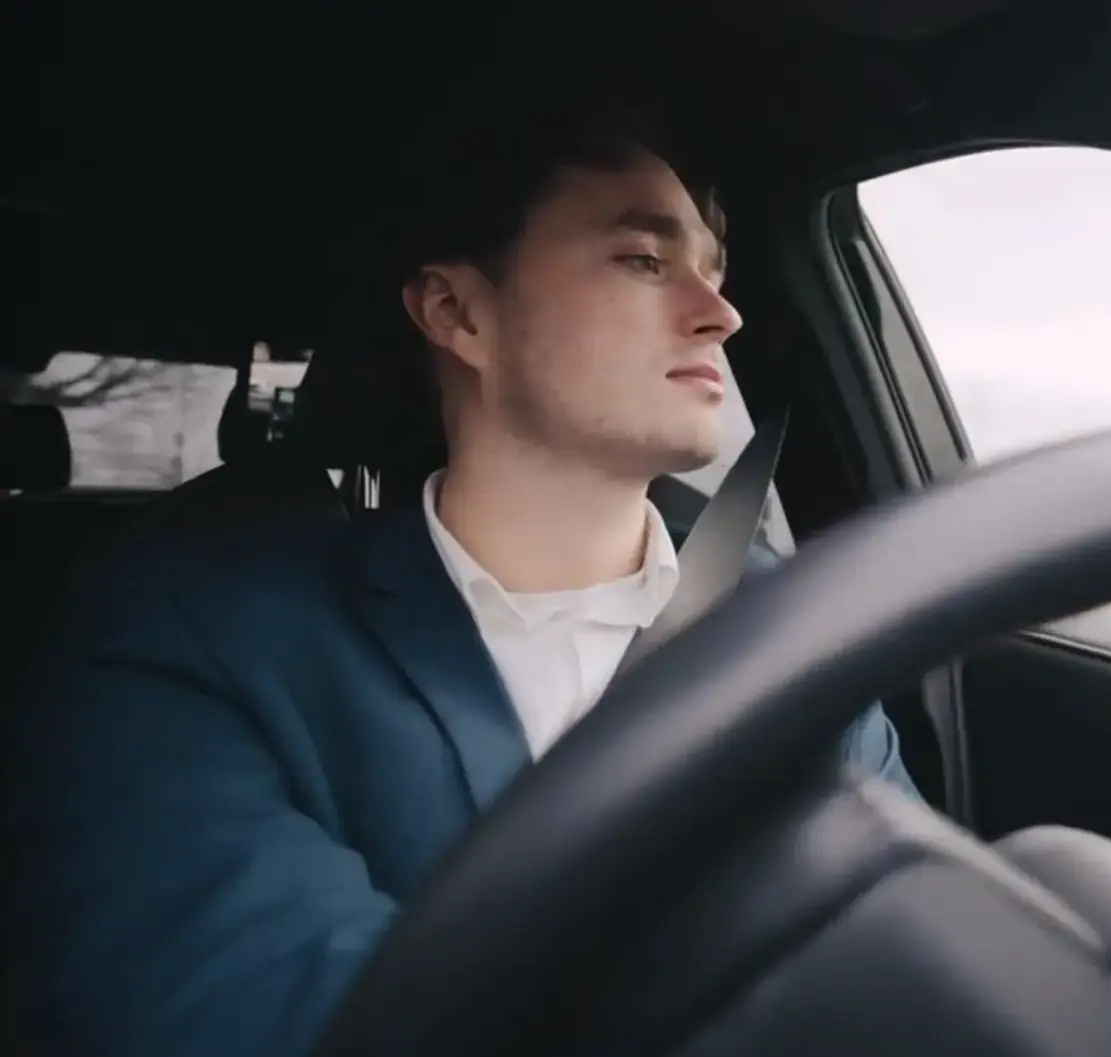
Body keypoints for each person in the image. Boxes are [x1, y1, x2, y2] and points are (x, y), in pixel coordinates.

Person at [5, 90, 916, 1057]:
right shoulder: (197, 636)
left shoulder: (794, 629)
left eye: (714, 271)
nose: (719, 314)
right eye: (644, 260)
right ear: (456, 312)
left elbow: (904, 974)